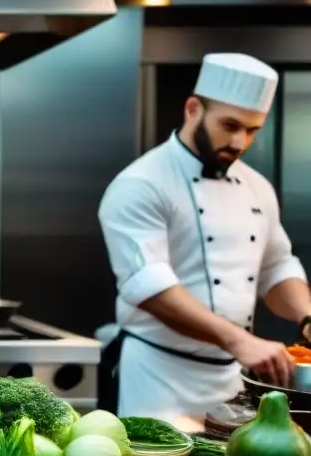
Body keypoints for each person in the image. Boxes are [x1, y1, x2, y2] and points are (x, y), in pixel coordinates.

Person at [98, 52, 311, 418]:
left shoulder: (257, 187)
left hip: (233, 382)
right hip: (158, 378)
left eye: (252, 130)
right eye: (229, 125)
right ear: (193, 108)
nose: (240, 142)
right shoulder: (140, 183)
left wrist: (307, 318)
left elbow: (276, 268)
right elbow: (148, 286)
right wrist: (238, 339)